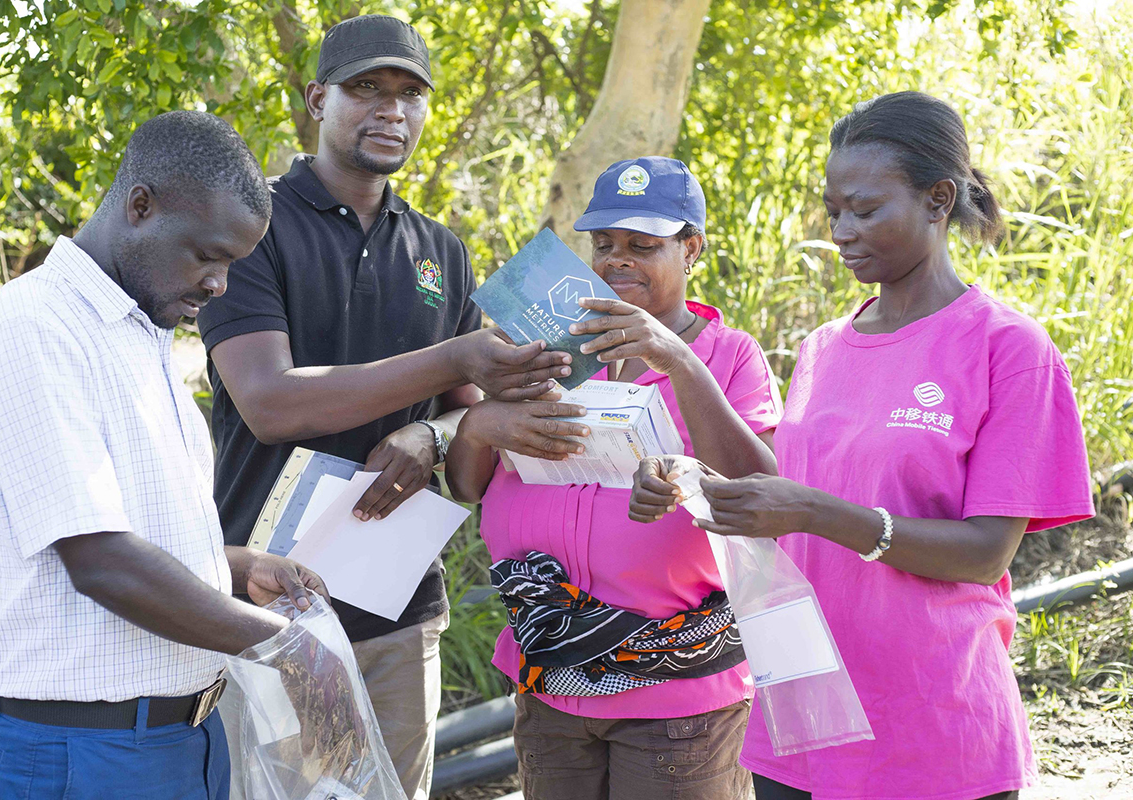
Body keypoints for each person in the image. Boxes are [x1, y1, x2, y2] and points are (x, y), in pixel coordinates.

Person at [631, 92, 1095, 800]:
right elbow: (794, 503)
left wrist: (815, 512)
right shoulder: (822, 349)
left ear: (938, 200)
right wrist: (691, 481)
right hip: (804, 713)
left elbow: (984, 554)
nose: (843, 231)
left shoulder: (1007, 350)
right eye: (833, 211)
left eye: (866, 209)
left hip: (932, 725)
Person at [195, 15, 569, 799]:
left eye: (409, 94)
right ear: (317, 98)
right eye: (366, 89)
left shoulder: (440, 249)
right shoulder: (251, 226)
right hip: (268, 608)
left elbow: (469, 420)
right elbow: (268, 404)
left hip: (397, 610)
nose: (389, 110)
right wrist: (456, 358)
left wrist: (426, 435)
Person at [0, 111, 330, 800]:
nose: (219, 284)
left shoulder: (143, 333)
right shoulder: (34, 328)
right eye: (207, 255)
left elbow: (137, 534)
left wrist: (236, 569)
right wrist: (283, 644)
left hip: (182, 741)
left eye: (231, 266)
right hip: (83, 753)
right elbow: (100, 561)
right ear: (139, 205)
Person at [445, 157, 782, 800]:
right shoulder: (549, 345)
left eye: (642, 245)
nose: (617, 259)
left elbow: (762, 491)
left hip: (676, 691)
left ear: (692, 248)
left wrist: (675, 359)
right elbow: (468, 485)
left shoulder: (727, 355)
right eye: (604, 244)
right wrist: (480, 425)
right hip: (550, 672)